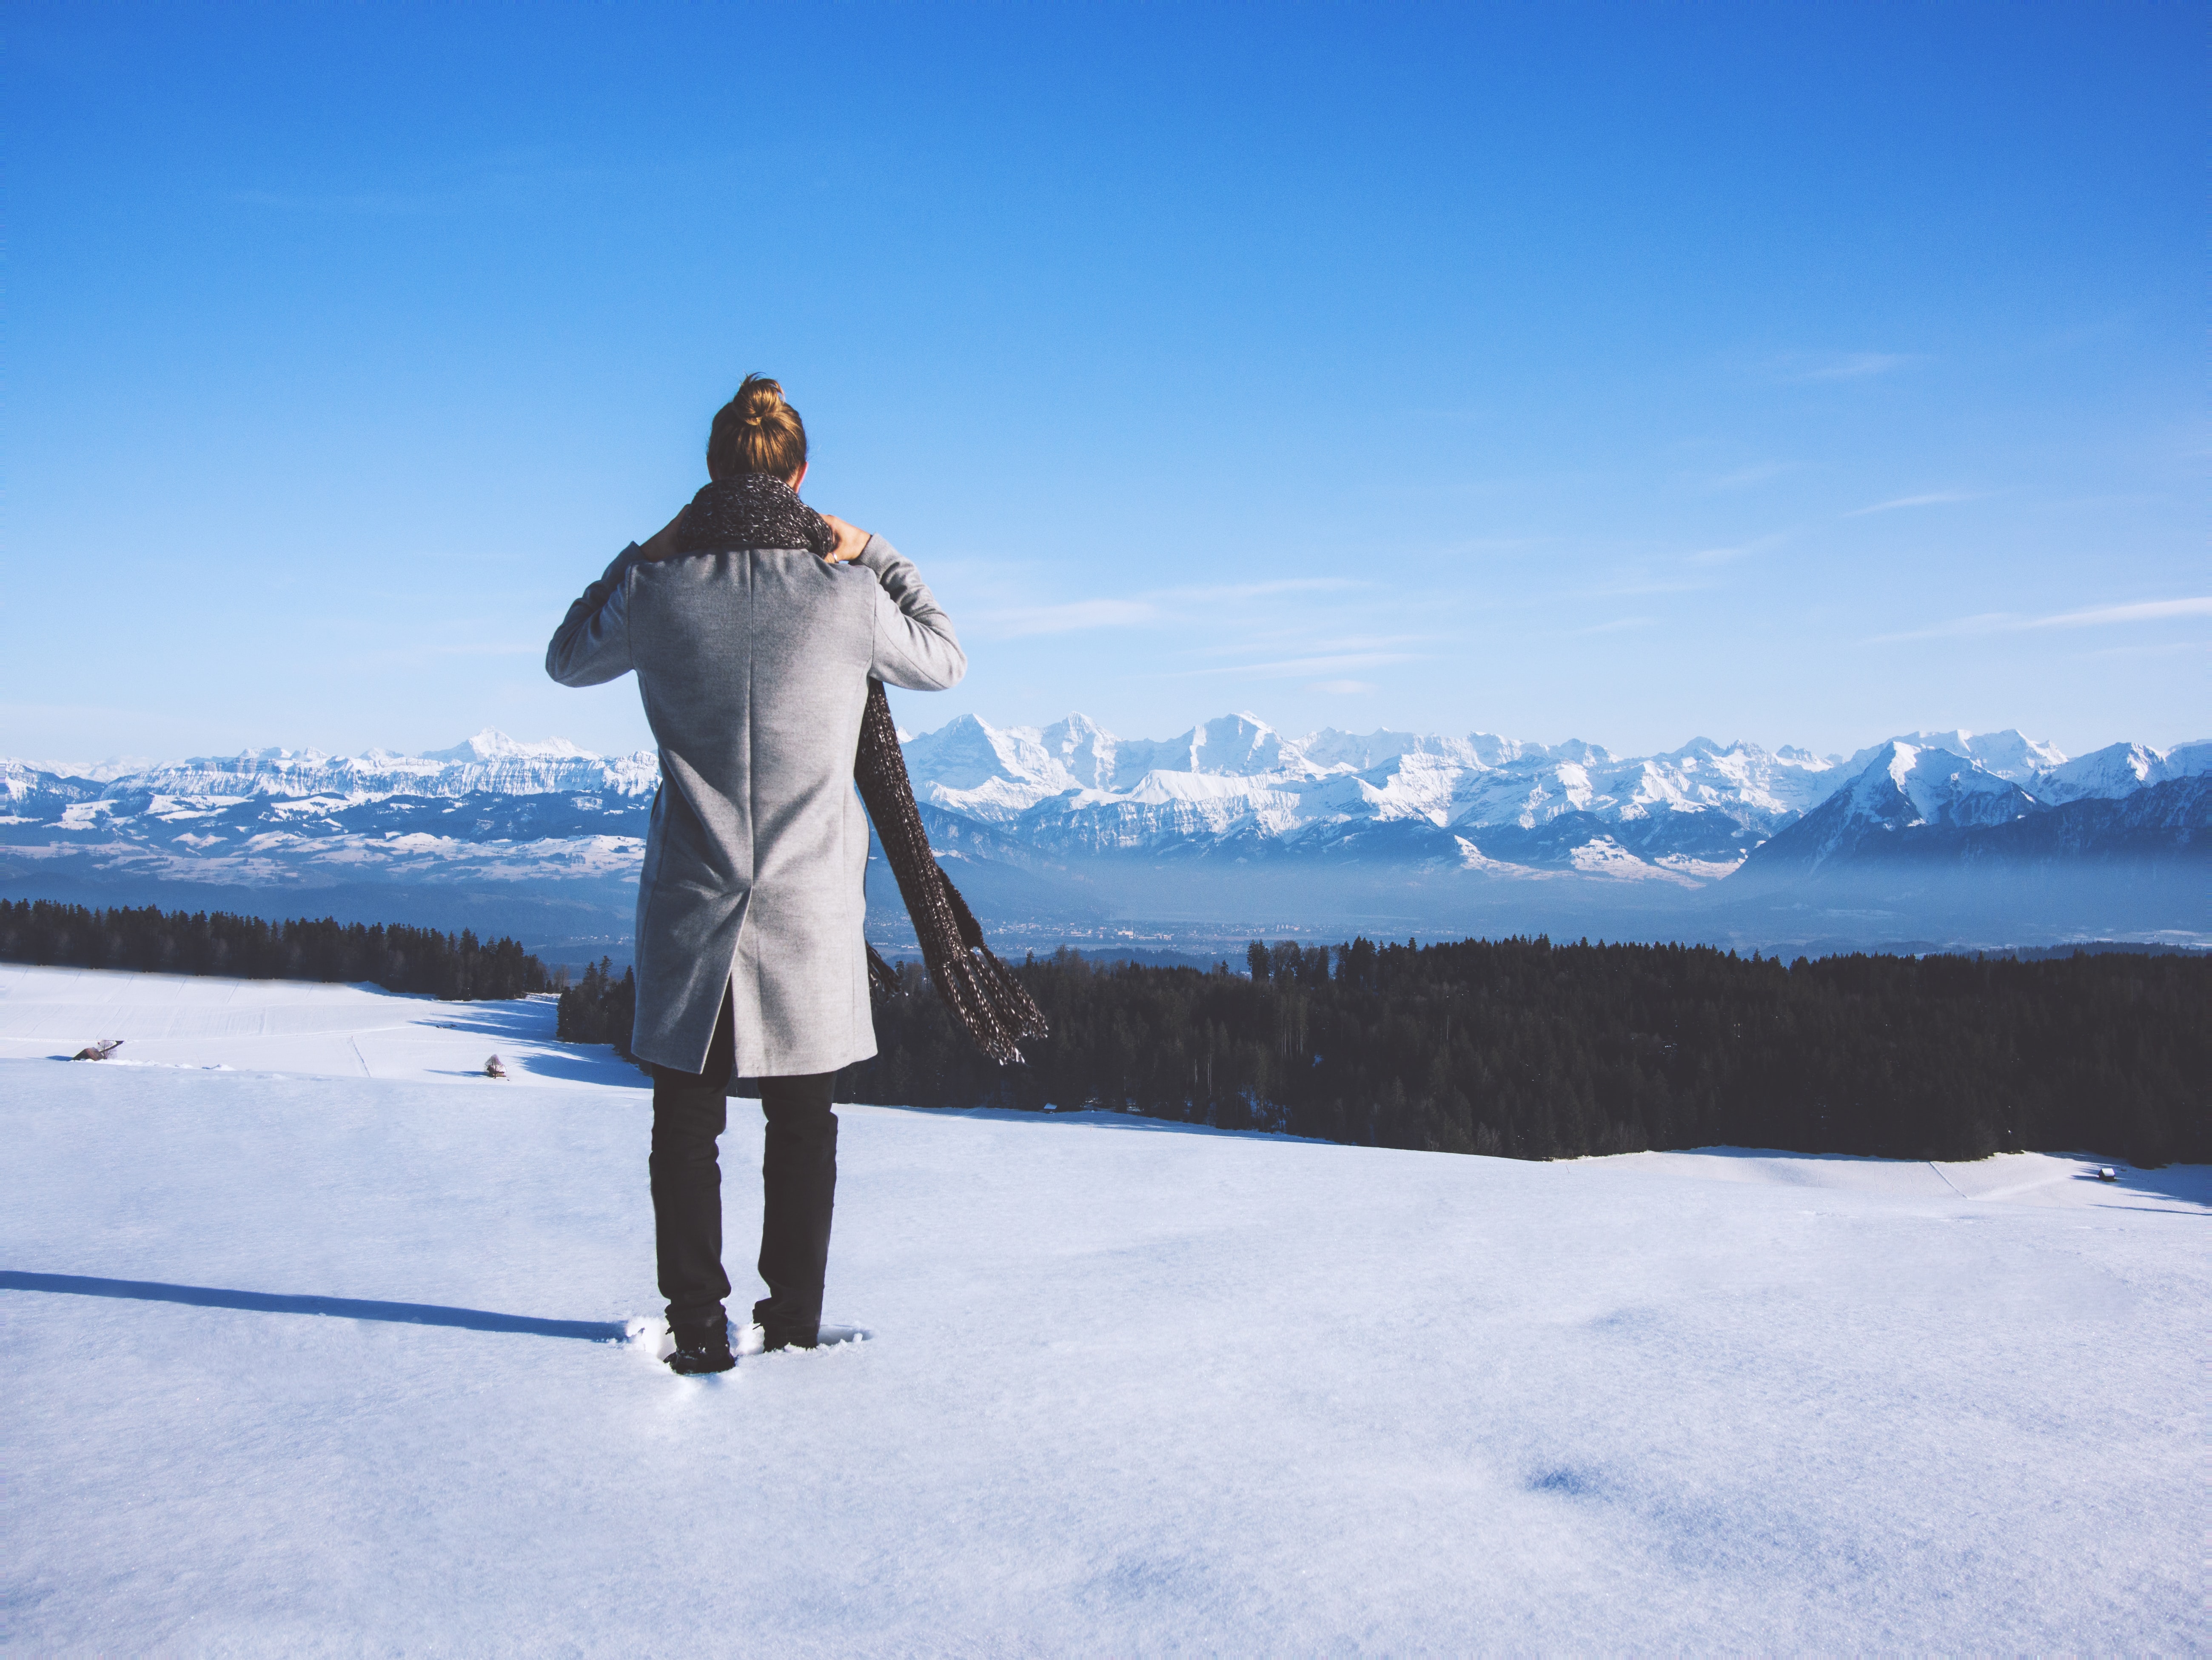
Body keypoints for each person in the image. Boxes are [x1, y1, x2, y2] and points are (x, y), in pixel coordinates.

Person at [545, 375, 966, 1373]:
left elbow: (567, 658)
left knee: (685, 1121)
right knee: (802, 1123)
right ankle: (792, 1322)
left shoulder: (656, 593)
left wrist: (646, 550)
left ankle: (697, 1323)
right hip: (810, 903)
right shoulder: (847, 596)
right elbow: (945, 659)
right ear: (802, 473)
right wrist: (873, 548)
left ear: (706, 474)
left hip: (694, 898)